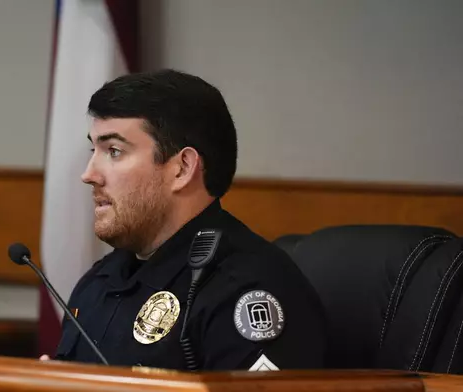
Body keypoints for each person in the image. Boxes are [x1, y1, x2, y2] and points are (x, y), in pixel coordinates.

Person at [50, 69, 327, 371]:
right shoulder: (99, 282)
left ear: (182, 168)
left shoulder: (247, 290)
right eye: (94, 150)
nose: (89, 174)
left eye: (114, 151)